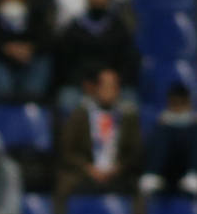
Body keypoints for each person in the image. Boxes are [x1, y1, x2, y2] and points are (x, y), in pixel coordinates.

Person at [56, 66, 141, 198]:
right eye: (105, 86)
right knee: (63, 183)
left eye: (113, 86)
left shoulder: (128, 116)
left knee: (141, 187)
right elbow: (67, 149)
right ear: (94, 88)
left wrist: (118, 168)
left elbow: (135, 151)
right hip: (84, 171)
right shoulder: (80, 115)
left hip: (119, 172)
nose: (109, 91)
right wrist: (88, 168)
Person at [53, 0, 138, 114]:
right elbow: (64, 63)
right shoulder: (75, 27)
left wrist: (114, 82)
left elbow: (128, 61)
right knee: (67, 99)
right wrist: (84, 82)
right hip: (81, 84)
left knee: (130, 105)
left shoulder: (119, 27)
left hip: (112, 83)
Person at [139, 82, 197, 198]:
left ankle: (195, 175)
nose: (178, 108)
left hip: (190, 173)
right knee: (162, 130)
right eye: (174, 104)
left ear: (189, 104)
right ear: (169, 104)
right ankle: (152, 174)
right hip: (167, 174)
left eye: (182, 104)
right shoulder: (161, 125)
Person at [0, 0, 54, 103]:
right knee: (2, 88)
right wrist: (7, 49)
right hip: (1, 60)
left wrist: (30, 48)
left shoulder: (37, 10)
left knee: (43, 63)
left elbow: (47, 39)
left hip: (31, 59)